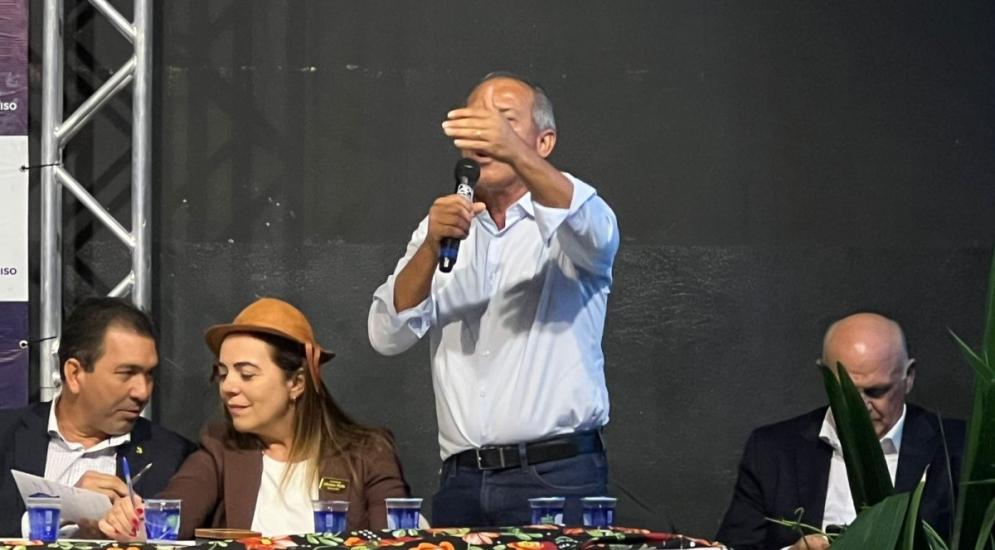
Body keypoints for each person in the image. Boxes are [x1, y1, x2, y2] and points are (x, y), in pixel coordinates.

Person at [368, 72, 619, 527]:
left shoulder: (574, 218)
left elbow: (593, 232)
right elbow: (387, 335)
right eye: (477, 122)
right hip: (462, 479)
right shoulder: (443, 225)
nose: (488, 134)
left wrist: (514, 152)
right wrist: (430, 247)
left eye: (504, 120)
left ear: (544, 142)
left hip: (556, 475)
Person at [99, 297, 409, 539]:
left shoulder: (368, 453)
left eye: (246, 374)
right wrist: (137, 519)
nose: (228, 387)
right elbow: (174, 513)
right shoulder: (220, 449)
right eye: (223, 374)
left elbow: (398, 540)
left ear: (296, 383)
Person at [715, 312, 965, 550]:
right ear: (823, 376)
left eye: (876, 391)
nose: (861, 407)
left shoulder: (958, 448)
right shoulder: (772, 451)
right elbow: (735, 546)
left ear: (908, 377)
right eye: (845, 391)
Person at [0, 297, 196, 537]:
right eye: (127, 373)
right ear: (74, 374)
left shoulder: (176, 458)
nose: (143, 392)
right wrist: (59, 510)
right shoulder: (5, 436)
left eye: (149, 374)